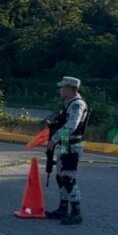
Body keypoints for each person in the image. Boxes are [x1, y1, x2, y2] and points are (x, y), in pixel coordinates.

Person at [45, 76, 90, 225]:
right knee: (60, 176)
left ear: (71, 89)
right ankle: (63, 208)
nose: (60, 90)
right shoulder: (68, 104)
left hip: (72, 145)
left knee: (69, 178)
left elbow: (72, 125)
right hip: (65, 143)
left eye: (63, 87)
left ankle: (76, 212)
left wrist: (54, 139)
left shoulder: (77, 104)